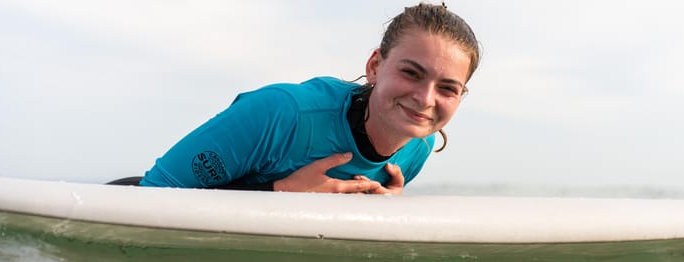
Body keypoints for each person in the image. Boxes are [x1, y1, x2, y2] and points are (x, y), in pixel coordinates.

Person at [130, 2, 480, 195]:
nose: (425, 98)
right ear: (375, 66)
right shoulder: (283, 113)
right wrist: (280, 191)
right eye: (411, 73)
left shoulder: (416, 148)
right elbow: (154, 195)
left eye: (447, 88)